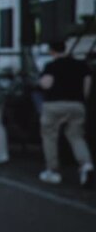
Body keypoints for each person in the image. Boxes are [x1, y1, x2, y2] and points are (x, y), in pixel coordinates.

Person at [38, 41, 93, 185]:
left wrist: (40, 82)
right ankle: (86, 164)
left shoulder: (51, 66)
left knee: (50, 135)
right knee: (76, 136)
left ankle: (52, 170)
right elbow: (87, 87)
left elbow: (47, 84)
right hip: (77, 104)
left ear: (52, 51)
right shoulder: (82, 66)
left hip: (54, 104)